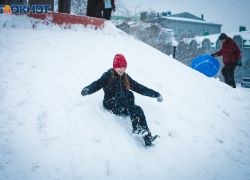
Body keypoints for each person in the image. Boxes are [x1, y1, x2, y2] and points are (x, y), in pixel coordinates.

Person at [81, 54, 163, 148]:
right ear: (115, 66)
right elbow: (97, 83)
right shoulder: (108, 75)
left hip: (123, 105)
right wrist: (88, 89)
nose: (122, 70)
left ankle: (148, 139)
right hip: (111, 104)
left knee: (138, 109)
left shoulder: (126, 77)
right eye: (120, 67)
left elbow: (140, 88)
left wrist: (156, 94)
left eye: (124, 67)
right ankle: (136, 127)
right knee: (129, 94)